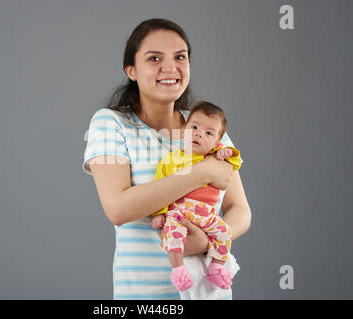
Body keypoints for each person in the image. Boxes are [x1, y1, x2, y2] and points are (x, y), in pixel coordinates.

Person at [83, 18, 251, 300]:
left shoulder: (205, 128)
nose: (170, 68)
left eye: (180, 57)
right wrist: (201, 173)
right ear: (131, 70)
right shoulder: (111, 124)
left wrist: (206, 241)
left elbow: (240, 210)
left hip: (210, 295)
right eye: (154, 58)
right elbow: (118, 208)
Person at [150, 101, 242, 291]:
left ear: (217, 142)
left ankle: (216, 267)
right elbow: (159, 186)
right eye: (194, 127)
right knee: (173, 235)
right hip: (179, 212)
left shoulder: (216, 157)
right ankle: (178, 270)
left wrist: (226, 152)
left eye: (209, 133)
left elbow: (236, 160)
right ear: (184, 131)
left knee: (225, 232)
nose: (200, 133)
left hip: (207, 215)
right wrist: (159, 214)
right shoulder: (172, 159)